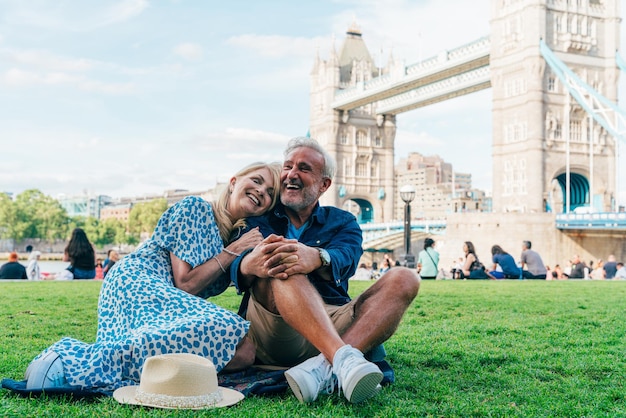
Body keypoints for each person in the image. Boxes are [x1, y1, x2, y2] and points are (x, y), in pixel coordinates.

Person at [22, 161, 281, 395]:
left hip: (164, 298)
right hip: (138, 280)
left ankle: (144, 374)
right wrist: (231, 253)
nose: (262, 192)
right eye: (257, 181)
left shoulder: (235, 238)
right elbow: (186, 284)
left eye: (271, 192)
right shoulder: (196, 209)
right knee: (233, 335)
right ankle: (67, 360)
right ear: (234, 182)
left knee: (243, 352)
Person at [229, 137, 420, 404]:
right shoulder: (259, 217)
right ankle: (341, 358)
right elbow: (237, 264)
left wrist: (318, 257)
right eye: (288, 166)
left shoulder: (343, 222)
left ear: (324, 185)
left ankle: (322, 367)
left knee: (405, 277)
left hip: (332, 318)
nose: (291, 174)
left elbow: (348, 259)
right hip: (272, 326)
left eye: (304, 168)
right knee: (284, 260)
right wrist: (251, 263)